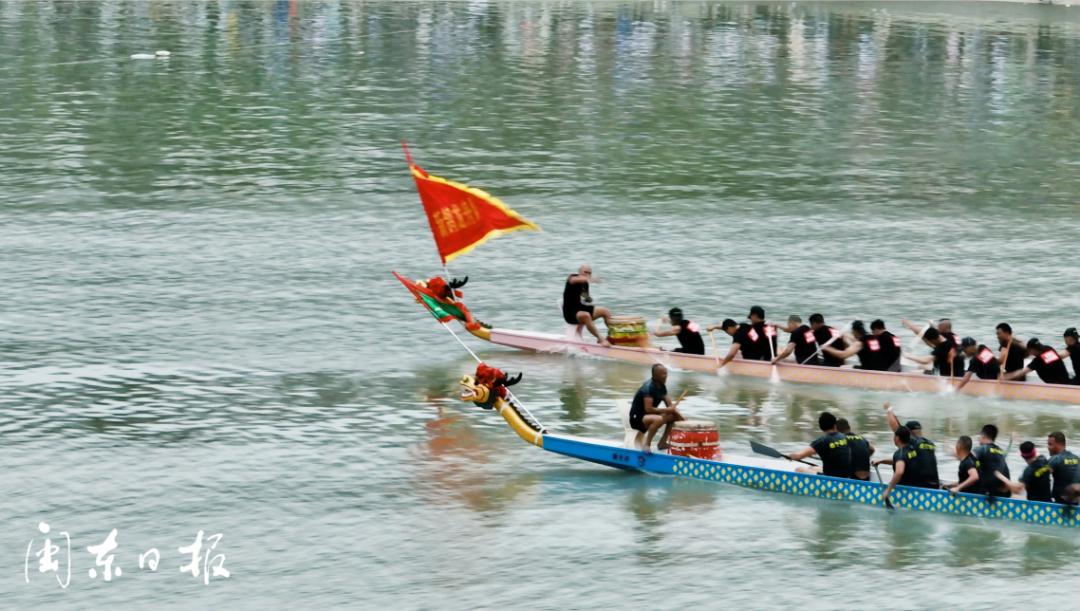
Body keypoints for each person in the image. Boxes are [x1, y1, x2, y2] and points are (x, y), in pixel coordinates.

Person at [629, 364, 685, 454]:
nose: (666, 376)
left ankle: (662, 442)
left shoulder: (662, 387)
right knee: (658, 419)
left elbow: (670, 406)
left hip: (649, 416)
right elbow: (648, 409)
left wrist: (682, 418)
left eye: (666, 373)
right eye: (663, 374)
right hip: (637, 418)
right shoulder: (648, 387)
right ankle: (647, 445)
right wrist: (666, 410)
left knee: (674, 416)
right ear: (655, 376)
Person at [882, 402, 939, 488]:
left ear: (909, 433)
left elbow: (896, 428)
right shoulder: (930, 443)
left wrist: (889, 409)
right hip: (935, 484)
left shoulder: (914, 442)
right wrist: (882, 461)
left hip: (922, 485)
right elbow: (903, 460)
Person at [785, 412, 852, 478]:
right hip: (847, 475)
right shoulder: (845, 437)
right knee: (813, 468)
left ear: (821, 427)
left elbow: (798, 456)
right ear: (835, 426)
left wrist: (790, 455)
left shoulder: (822, 441)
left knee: (799, 469)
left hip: (832, 478)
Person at [562, 265, 613, 347]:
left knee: (605, 311)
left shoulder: (585, 284)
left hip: (580, 307)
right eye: (585, 272)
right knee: (586, 315)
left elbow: (585, 296)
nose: (587, 275)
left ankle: (613, 336)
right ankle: (601, 339)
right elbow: (579, 279)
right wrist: (593, 279)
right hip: (570, 312)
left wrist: (588, 298)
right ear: (579, 272)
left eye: (589, 273)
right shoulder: (572, 278)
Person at [874, 426, 919, 504]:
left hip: (903, 491)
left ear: (897, 438)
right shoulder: (911, 450)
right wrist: (881, 461)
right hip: (914, 488)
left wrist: (888, 491)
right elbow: (900, 461)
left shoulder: (900, 453)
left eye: (894, 435)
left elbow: (899, 472)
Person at [822, 321, 889, 371]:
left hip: (869, 370)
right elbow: (858, 341)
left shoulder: (859, 344)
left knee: (842, 367)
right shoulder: (872, 338)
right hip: (881, 369)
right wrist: (846, 335)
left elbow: (843, 355)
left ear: (854, 331)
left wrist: (827, 348)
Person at [1003, 339, 1071, 385]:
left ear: (1032, 350)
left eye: (1029, 351)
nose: (1029, 353)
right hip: (1067, 381)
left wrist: (1006, 377)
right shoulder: (1049, 348)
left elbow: (1022, 372)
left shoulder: (1038, 360)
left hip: (1058, 386)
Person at [972, 425, 1011, 497]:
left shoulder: (982, 448)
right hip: (1005, 493)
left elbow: (967, 458)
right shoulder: (1000, 451)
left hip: (989, 494)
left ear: (983, 436)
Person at [1047, 432, 1080, 504]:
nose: (1048, 448)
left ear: (1059, 445)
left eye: (1050, 445)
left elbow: (1041, 475)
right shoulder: (1076, 458)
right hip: (1076, 504)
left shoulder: (1056, 458)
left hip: (1059, 504)